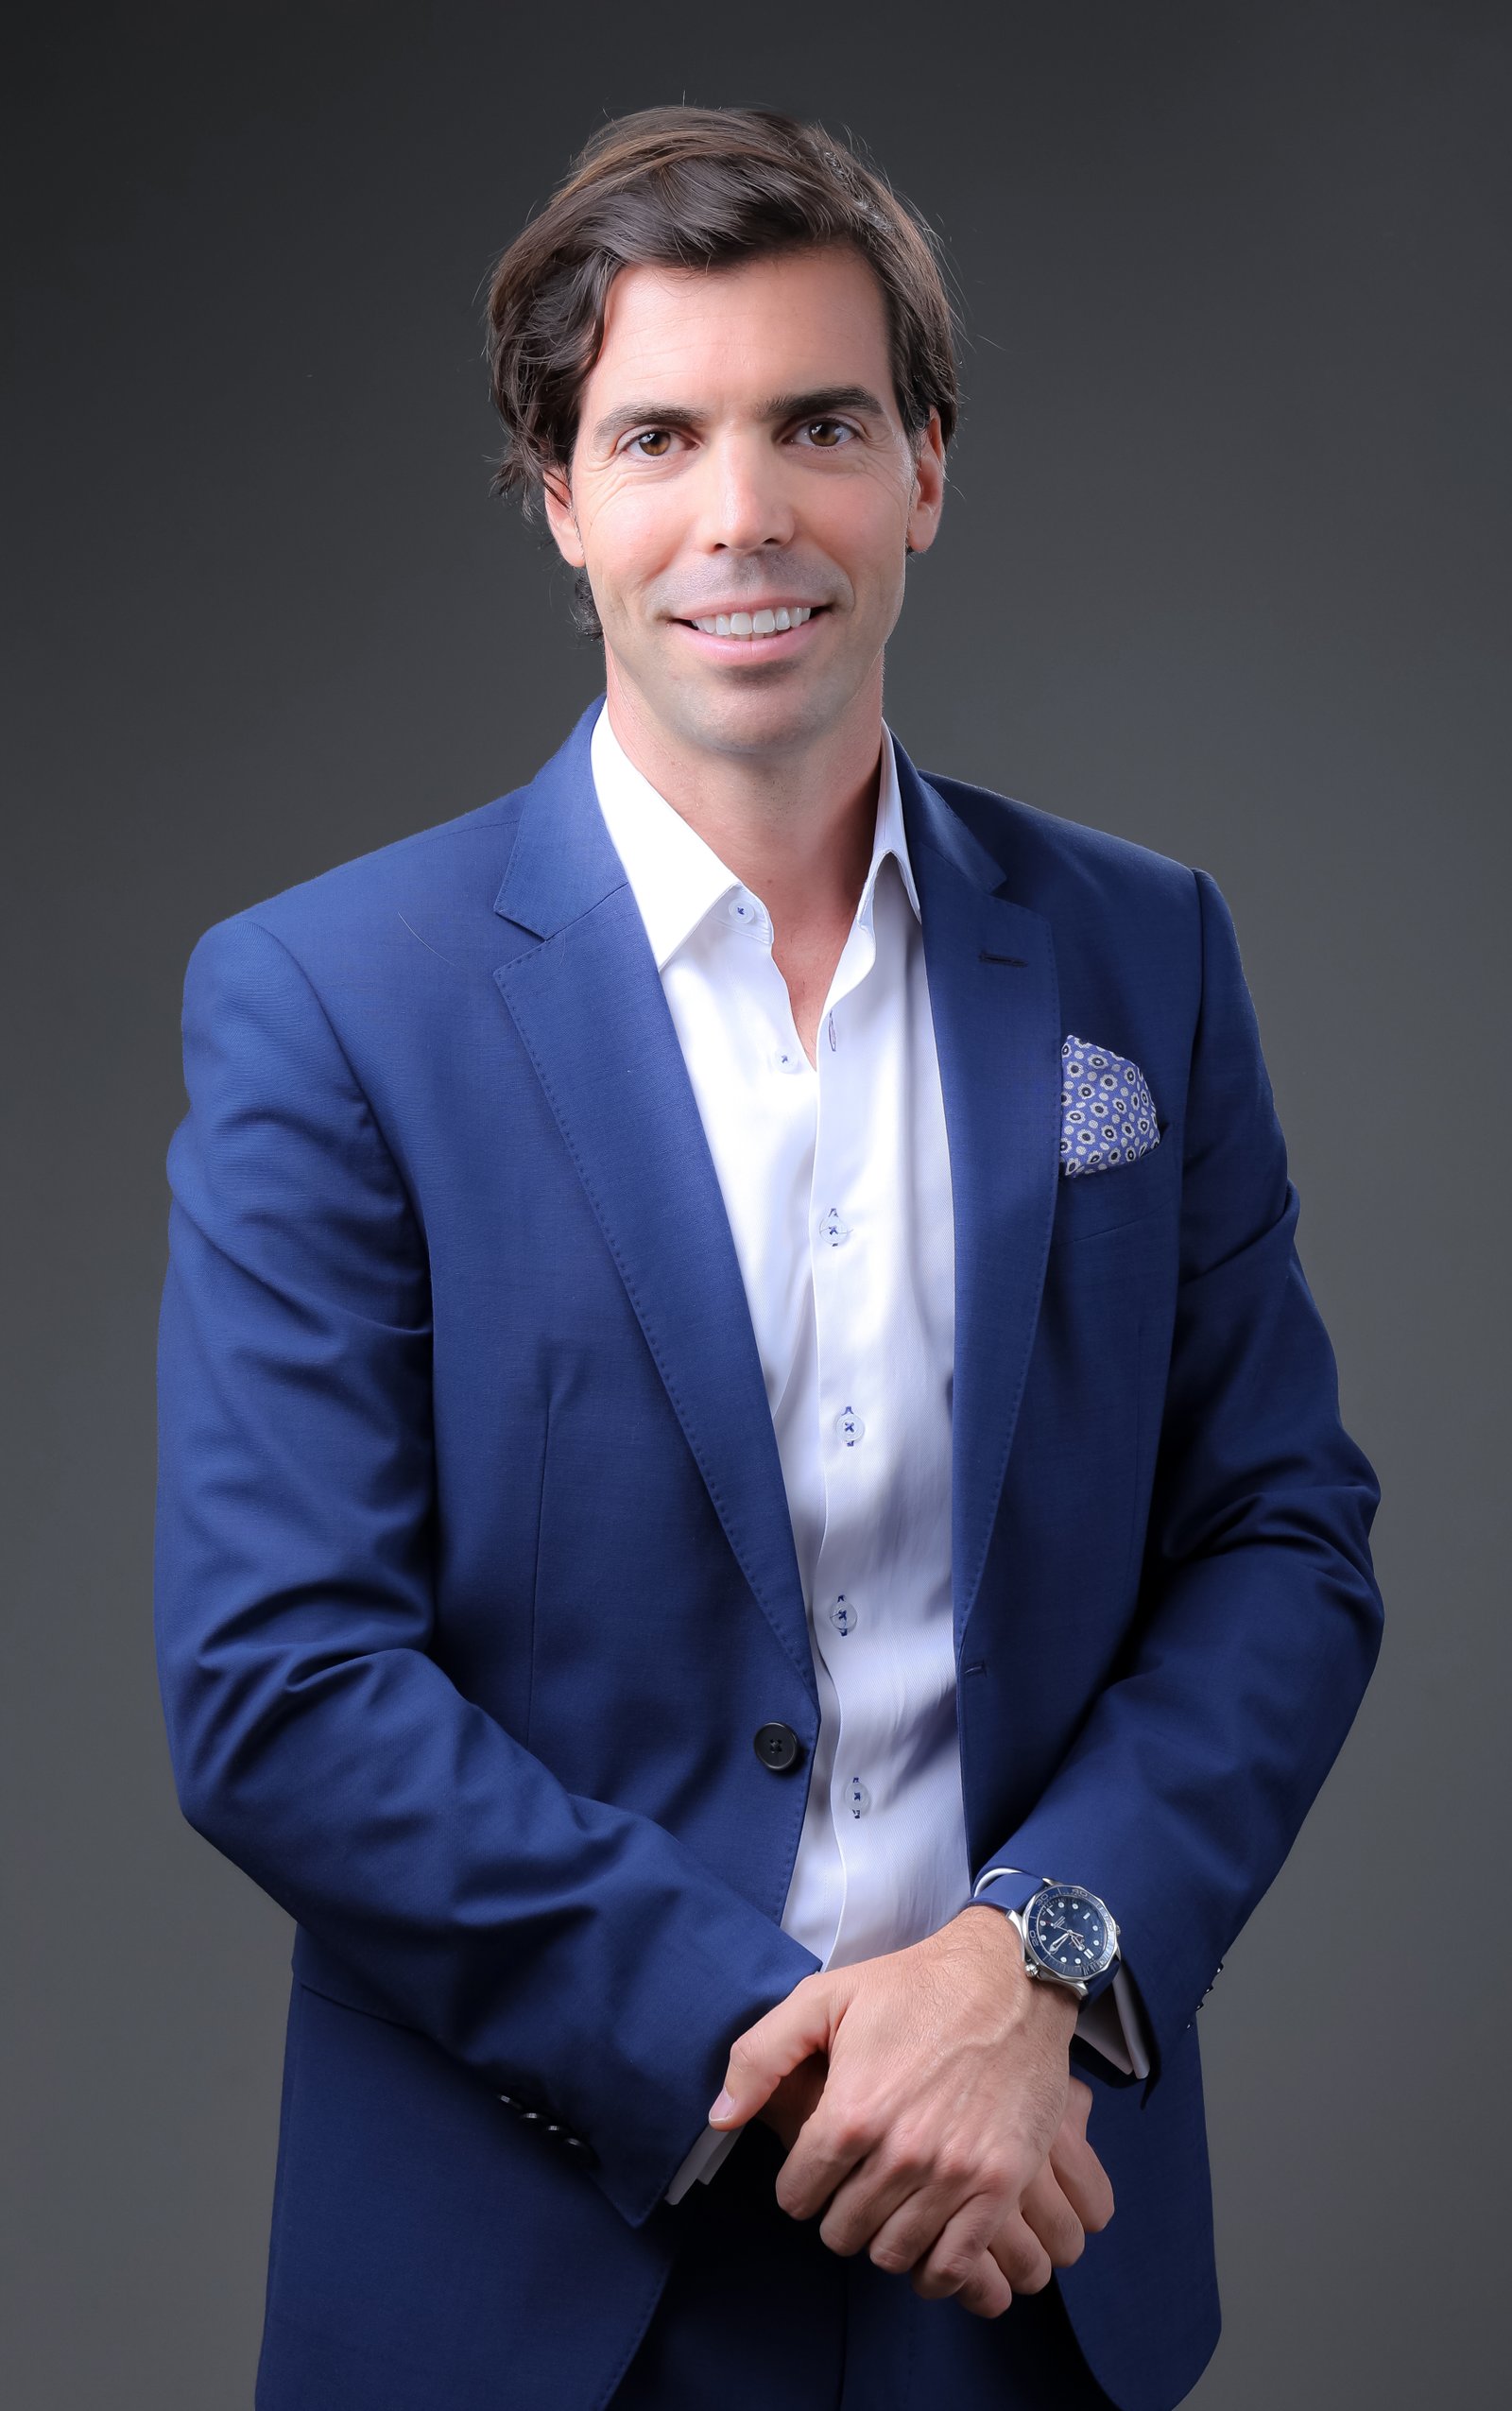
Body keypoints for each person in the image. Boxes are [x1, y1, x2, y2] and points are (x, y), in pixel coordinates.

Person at [153, 105, 1383, 2411]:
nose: (743, 513)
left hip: (1026, 2262)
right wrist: (814, 2057)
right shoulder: (332, 1001)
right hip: (529, 2278)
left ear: (924, 468)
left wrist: (1029, 1963)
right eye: (657, 436)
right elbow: (279, 1682)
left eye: (817, 423)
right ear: (559, 495)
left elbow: (1279, 1537)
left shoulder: (1143, 955)